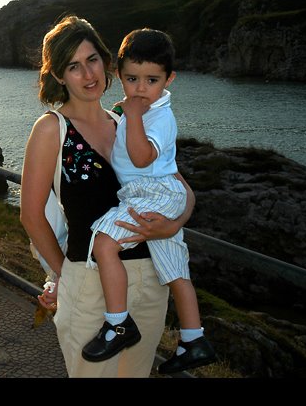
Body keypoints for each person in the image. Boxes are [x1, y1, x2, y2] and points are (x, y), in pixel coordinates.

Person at [19, 15, 196, 377]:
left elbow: (181, 188)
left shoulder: (127, 120)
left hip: (151, 280)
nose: (88, 75)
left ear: (106, 61)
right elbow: (31, 216)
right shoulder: (53, 129)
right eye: (73, 66)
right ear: (58, 76)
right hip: (88, 283)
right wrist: (64, 274)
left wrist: (173, 223)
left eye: (92, 60)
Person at [80, 28, 216, 374]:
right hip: (160, 191)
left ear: (169, 79)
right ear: (119, 75)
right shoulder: (140, 112)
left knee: (105, 245)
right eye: (132, 78)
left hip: (151, 193)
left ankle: (118, 323)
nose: (141, 89)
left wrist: (135, 116)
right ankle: (193, 340)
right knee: (175, 271)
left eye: (151, 80)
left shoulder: (159, 116)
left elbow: (141, 159)